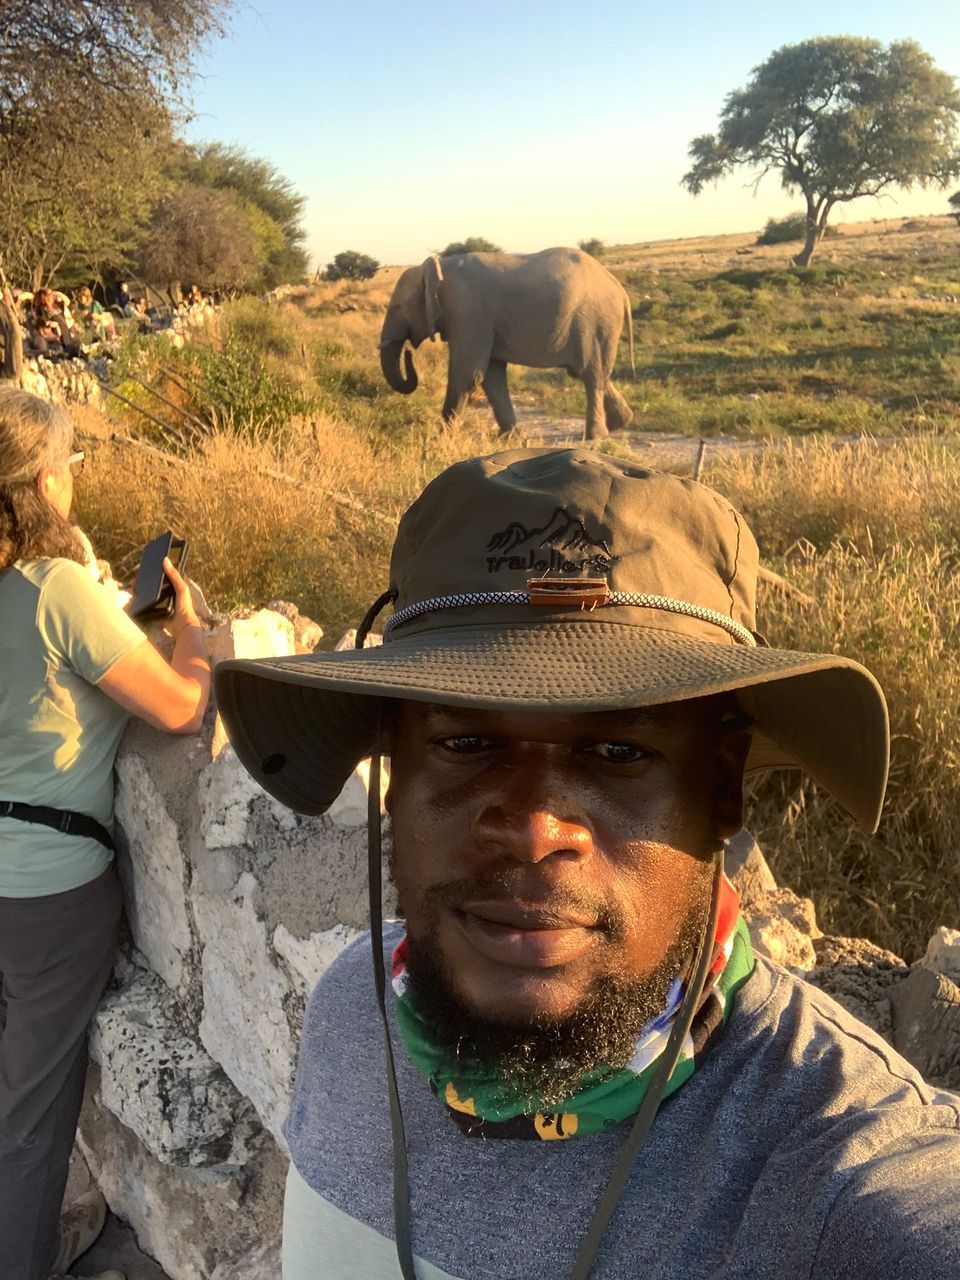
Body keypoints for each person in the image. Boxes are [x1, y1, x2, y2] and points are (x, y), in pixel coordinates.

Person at [215, 448, 960, 1280]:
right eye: (466, 742)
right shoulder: (355, 1007)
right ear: (391, 776)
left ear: (720, 792)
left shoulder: (824, 1171)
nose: (535, 829)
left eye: (616, 749)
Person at [0, 388, 212, 1280]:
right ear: (51, 481)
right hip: (48, 896)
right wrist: (192, 624)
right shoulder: (55, 589)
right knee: (30, 1115)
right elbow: (181, 708)